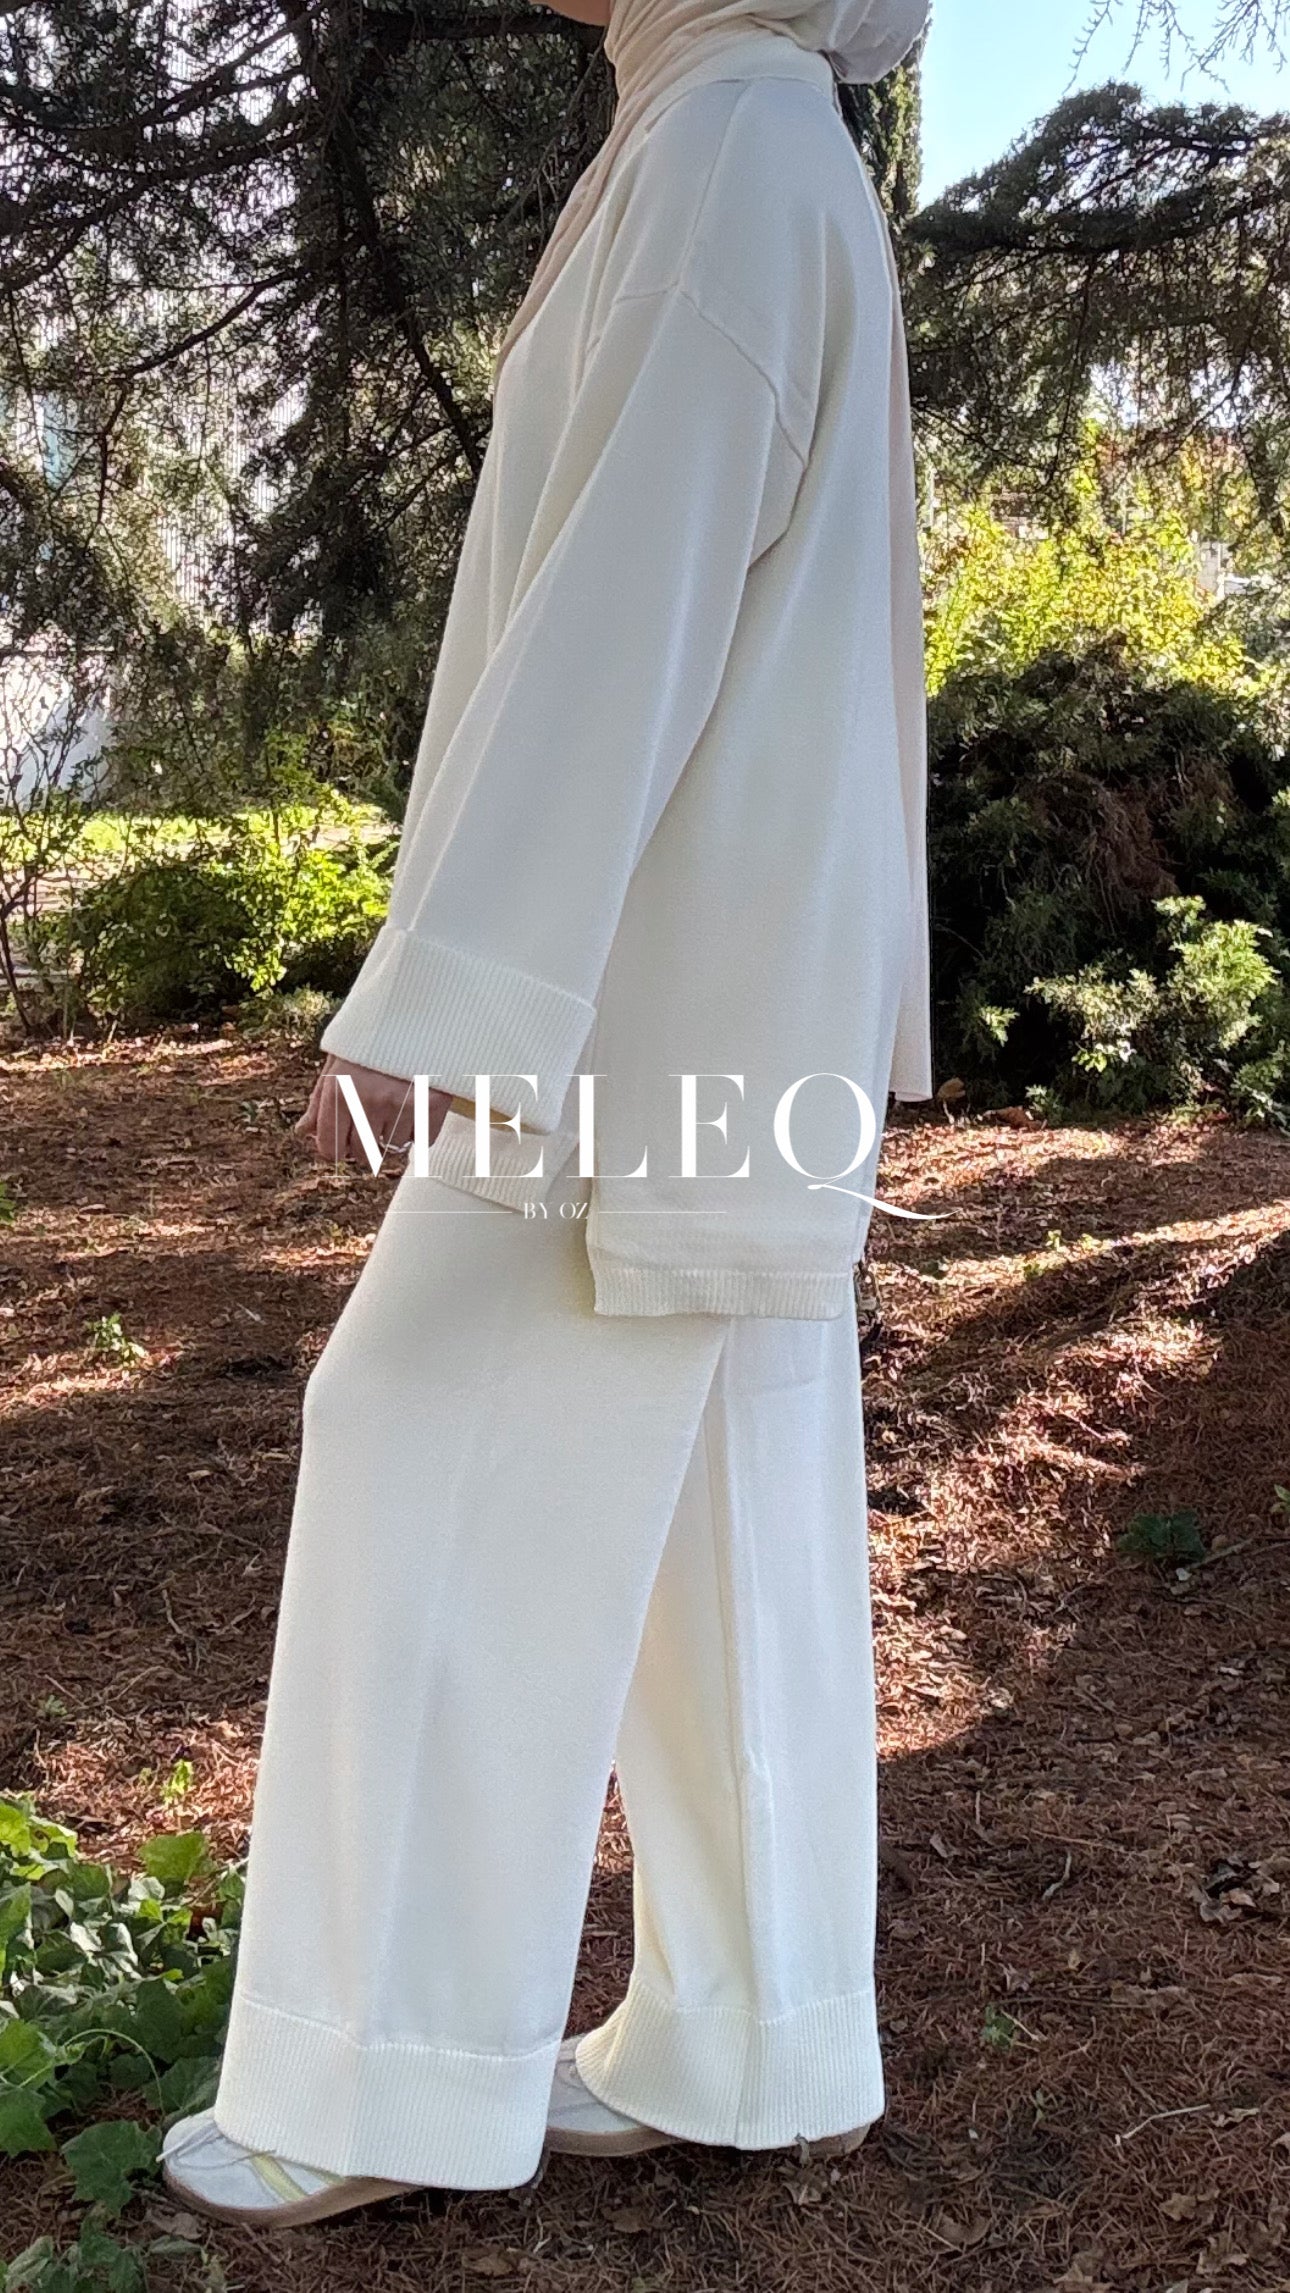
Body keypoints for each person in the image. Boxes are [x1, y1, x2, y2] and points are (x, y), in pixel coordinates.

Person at [162, 0, 933, 2230]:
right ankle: (757, 2038)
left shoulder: (727, 154)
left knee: (419, 1436)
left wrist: (460, 992)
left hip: (628, 1001)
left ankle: (377, 2084)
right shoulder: (754, 141)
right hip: (730, 998)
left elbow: (623, 609)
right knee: (725, 1509)